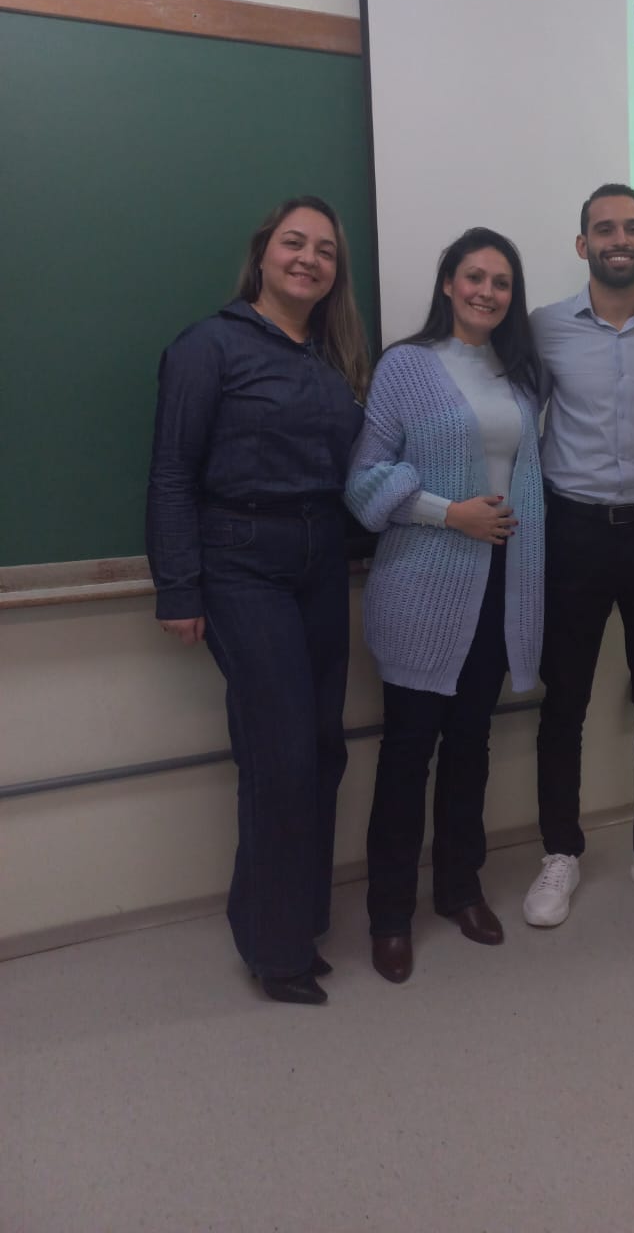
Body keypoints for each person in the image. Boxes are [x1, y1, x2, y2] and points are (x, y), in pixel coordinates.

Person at [147, 195, 370, 1005]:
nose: (309, 259)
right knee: (281, 756)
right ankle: (275, 953)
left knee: (323, 748)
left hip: (321, 560)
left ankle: (297, 921)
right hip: (241, 564)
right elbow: (173, 472)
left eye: (325, 250)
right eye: (294, 243)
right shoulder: (207, 346)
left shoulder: (333, 359)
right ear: (264, 254)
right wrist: (178, 586)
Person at [345, 229, 544, 985]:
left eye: (501, 282)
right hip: (422, 587)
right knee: (407, 754)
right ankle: (389, 916)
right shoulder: (407, 366)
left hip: (499, 588)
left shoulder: (519, 377)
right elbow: (364, 481)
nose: (487, 292)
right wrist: (448, 513)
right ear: (448, 284)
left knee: (471, 748)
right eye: (474, 277)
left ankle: (460, 889)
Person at [522, 184, 634, 928]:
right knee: (563, 700)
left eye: (632, 227)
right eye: (605, 229)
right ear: (583, 245)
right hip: (572, 532)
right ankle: (560, 852)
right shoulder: (544, 329)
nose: (619, 239)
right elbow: (524, 419)